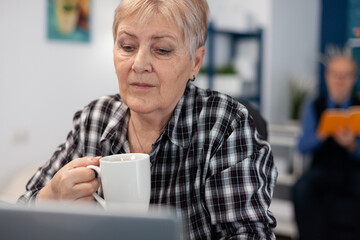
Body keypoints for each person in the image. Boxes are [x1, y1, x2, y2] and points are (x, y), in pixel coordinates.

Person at [18, 0, 277, 239]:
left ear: (195, 62)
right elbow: (19, 216)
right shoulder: (94, 119)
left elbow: (249, 234)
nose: (139, 64)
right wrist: (50, 197)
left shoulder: (224, 125)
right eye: (127, 46)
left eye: (162, 50)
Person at [293, 46, 360, 240]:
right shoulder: (313, 106)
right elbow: (302, 146)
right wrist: (321, 134)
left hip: (354, 171)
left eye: (346, 75)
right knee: (301, 188)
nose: (340, 81)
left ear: (354, 79)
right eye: (336, 75)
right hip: (322, 170)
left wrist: (352, 146)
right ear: (327, 77)